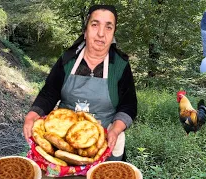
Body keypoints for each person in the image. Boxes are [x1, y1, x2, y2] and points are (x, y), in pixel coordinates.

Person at [23, 4, 137, 161]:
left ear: (113, 34)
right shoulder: (67, 60)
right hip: (63, 138)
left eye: (108, 27)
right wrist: (32, 115)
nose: (101, 34)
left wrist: (116, 130)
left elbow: (129, 105)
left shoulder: (120, 66)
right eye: (95, 25)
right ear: (85, 31)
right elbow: (49, 93)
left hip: (103, 141)